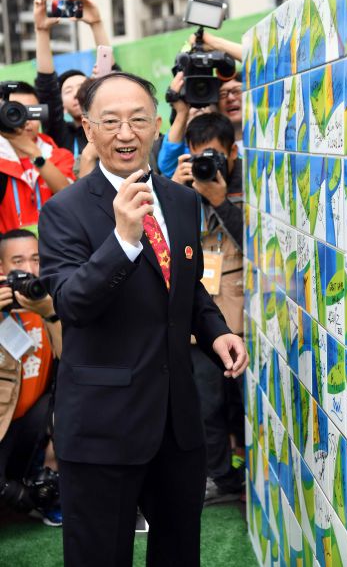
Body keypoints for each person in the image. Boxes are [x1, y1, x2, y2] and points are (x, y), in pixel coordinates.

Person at [38, 71, 249, 567]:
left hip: (177, 422)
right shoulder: (64, 211)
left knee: (178, 552)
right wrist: (123, 240)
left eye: (137, 119)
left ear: (157, 125)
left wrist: (217, 332)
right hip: (103, 425)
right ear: (88, 130)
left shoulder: (180, 198)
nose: (126, 133)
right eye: (110, 121)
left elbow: (187, 284)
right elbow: (71, 304)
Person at [172, 112, 245, 503]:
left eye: (214, 156)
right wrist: (172, 193)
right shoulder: (176, 190)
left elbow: (260, 245)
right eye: (199, 156)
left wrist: (221, 201)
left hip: (244, 314)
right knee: (206, 404)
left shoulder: (248, 183)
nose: (207, 165)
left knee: (242, 404)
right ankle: (220, 475)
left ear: (232, 153)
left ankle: (249, 470)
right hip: (199, 318)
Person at [0, 229, 62, 525]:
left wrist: (50, 313)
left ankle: (49, 484)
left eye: (36, 259)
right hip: (3, 424)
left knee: (72, 405)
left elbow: (71, 358)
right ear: (2, 268)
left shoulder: (51, 299)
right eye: (18, 261)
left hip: (35, 419)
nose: (29, 269)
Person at [33, 0, 113, 161]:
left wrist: (96, 23)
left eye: (82, 87)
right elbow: (47, 89)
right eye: (68, 91)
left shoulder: (112, 125)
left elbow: (112, 78)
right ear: (62, 106)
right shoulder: (60, 135)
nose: (77, 93)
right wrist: (42, 31)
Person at [0, 81, 75, 233]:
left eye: (30, 111)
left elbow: (69, 196)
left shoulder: (59, 156)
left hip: (54, 243)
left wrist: (33, 153)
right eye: (15, 112)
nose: (25, 120)